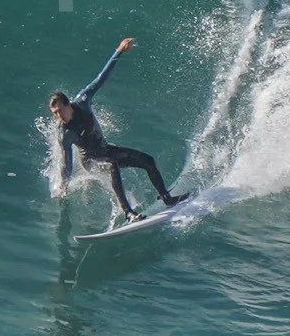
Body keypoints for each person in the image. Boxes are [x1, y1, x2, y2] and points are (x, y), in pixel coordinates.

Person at [50, 36, 191, 221]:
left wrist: (119, 51)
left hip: (106, 150)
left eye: (60, 111)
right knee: (111, 166)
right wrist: (64, 184)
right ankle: (128, 213)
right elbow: (66, 161)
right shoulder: (65, 133)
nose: (58, 117)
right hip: (91, 161)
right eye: (54, 114)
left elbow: (101, 78)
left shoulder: (83, 101)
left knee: (147, 160)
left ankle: (167, 198)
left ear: (68, 104)